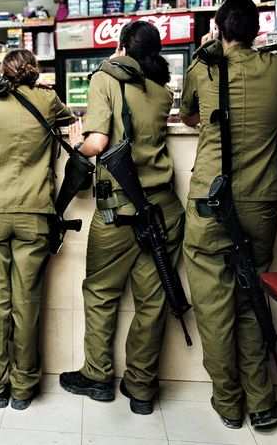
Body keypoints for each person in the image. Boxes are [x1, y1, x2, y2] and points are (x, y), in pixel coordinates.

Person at [180, 0, 277, 430]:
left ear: (217, 28)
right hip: (261, 200)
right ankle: (262, 402)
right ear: (255, 29)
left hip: (211, 200)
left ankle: (228, 403)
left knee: (213, 306)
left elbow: (188, 115)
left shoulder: (202, 68)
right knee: (252, 297)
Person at [59, 21, 184, 415]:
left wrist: (73, 141)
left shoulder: (105, 79)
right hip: (163, 209)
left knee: (100, 294)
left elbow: (98, 142)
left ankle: (98, 377)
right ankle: (142, 387)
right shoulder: (162, 91)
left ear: (120, 45)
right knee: (153, 300)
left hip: (118, 211)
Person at [0, 49, 74, 410]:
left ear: (2, 73)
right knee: (27, 304)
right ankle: (24, 388)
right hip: (34, 212)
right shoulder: (48, 99)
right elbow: (75, 130)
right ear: (34, 73)